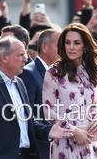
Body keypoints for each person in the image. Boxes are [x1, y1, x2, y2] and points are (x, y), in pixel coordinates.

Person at [43, 23, 97, 158]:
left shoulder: (89, 72)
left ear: (85, 46)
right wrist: (74, 131)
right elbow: (48, 111)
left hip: (88, 141)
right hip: (64, 143)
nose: (71, 47)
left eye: (76, 43)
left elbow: (93, 106)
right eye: (67, 43)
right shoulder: (53, 72)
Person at [18, 28, 61, 159]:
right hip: (39, 150)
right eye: (59, 45)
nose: (65, 49)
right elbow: (28, 115)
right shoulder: (29, 73)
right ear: (44, 47)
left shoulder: (60, 73)